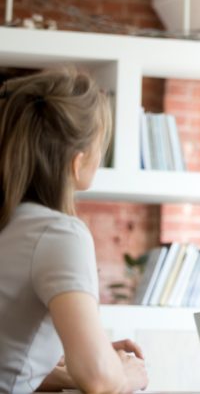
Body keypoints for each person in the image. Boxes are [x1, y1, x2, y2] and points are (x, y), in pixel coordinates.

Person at [0, 69, 148, 393]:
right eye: (100, 144)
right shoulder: (59, 233)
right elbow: (99, 380)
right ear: (77, 162)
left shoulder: (12, 222)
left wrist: (86, 360)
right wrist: (126, 373)